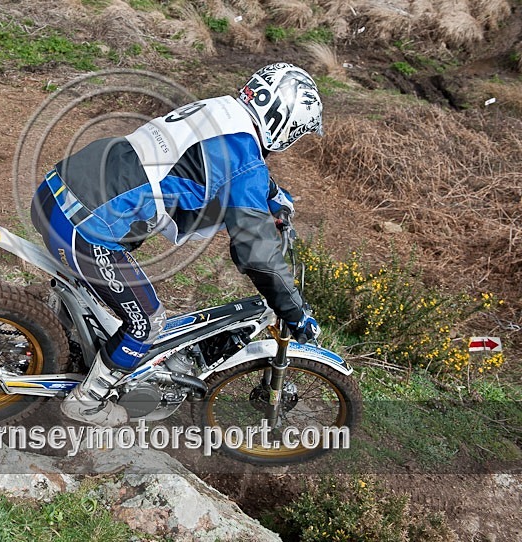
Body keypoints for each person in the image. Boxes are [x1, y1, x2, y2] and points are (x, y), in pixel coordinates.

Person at [30, 62, 322, 426]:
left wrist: (272, 195)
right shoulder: (245, 159)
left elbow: (224, 168)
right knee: (147, 323)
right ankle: (87, 401)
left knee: (108, 296)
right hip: (84, 223)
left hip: (56, 191)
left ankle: (57, 338)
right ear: (287, 123)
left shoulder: (222, 110)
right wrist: (295, 311)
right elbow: (256, 252)